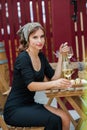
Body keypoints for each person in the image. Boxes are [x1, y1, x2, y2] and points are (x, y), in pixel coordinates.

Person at [3, 22, 72, 130]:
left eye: (42, 36)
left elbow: (54, 78)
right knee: (54, 119)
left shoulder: (40, 56)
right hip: (15, 110)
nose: (40, 41)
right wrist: (54, 83)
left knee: (65, 117)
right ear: (28, 39)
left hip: (29, 104)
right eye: (35, 37)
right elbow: (31, 85)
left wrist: (61, 57)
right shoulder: (23, 58)